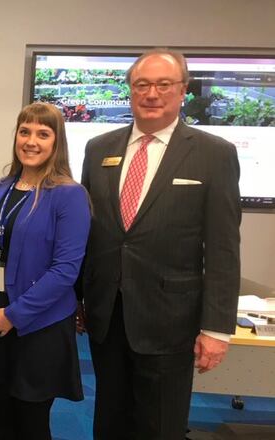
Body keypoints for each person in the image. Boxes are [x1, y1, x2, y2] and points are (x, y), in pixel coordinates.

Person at [79, 48, 241, 439]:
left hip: (171, 321)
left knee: (161, 426)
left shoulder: (214, 154)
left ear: (183, 90)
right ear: (130, 91)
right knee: (109, 422)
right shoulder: (98, 149)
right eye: (142, 84)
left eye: (163, 84)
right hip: (108, 317)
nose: (152, 93)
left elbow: (223, 248)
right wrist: (79, 299)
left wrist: (217, 329)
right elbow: (87, 232)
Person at [0, 102, 90, 439]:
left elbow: (65, 271)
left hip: (39, 327)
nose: (31, 141)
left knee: (31, 422)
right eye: (25, 131)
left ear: (56, 142)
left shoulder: (70, 195)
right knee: (4, 415)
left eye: (43, 133)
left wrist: (15, 315)